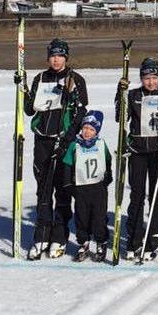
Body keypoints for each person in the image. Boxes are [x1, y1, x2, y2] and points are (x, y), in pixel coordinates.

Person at [20, 38, 88, 260]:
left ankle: (59, 237)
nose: (56, 60)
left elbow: (80, 113)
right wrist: (23, 89)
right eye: (53, 56)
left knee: (62, 191)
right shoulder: (40, 78)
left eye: (60, 56)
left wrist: (67, 138)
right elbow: (30, 110)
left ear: (66, 57)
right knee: (43, 191)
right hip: (42, 141)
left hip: (64, 142)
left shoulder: (75, 79)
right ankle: (41, 236)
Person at [115, 57, 158, 261]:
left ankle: (153, 238)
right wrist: (121, 93)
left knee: (156, 196)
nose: (150, 82)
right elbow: (120, 117)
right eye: (146, 78)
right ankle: (134, 239)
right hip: (138, 151)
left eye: (154, 78)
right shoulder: (134, 95)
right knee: (137, 195)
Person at [61, 111, 112, 262]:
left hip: (98, 188)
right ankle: (83, 242)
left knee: (99, 218)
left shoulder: (101, 144)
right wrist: (68, 184)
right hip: (81, 188)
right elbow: (68, 164)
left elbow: (108, 160)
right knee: (81, 218)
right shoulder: (74, 146)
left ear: (97, 131)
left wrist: (108, 175)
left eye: (91, 129)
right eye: (85, 128)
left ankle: (101, 242)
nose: (87, 132)